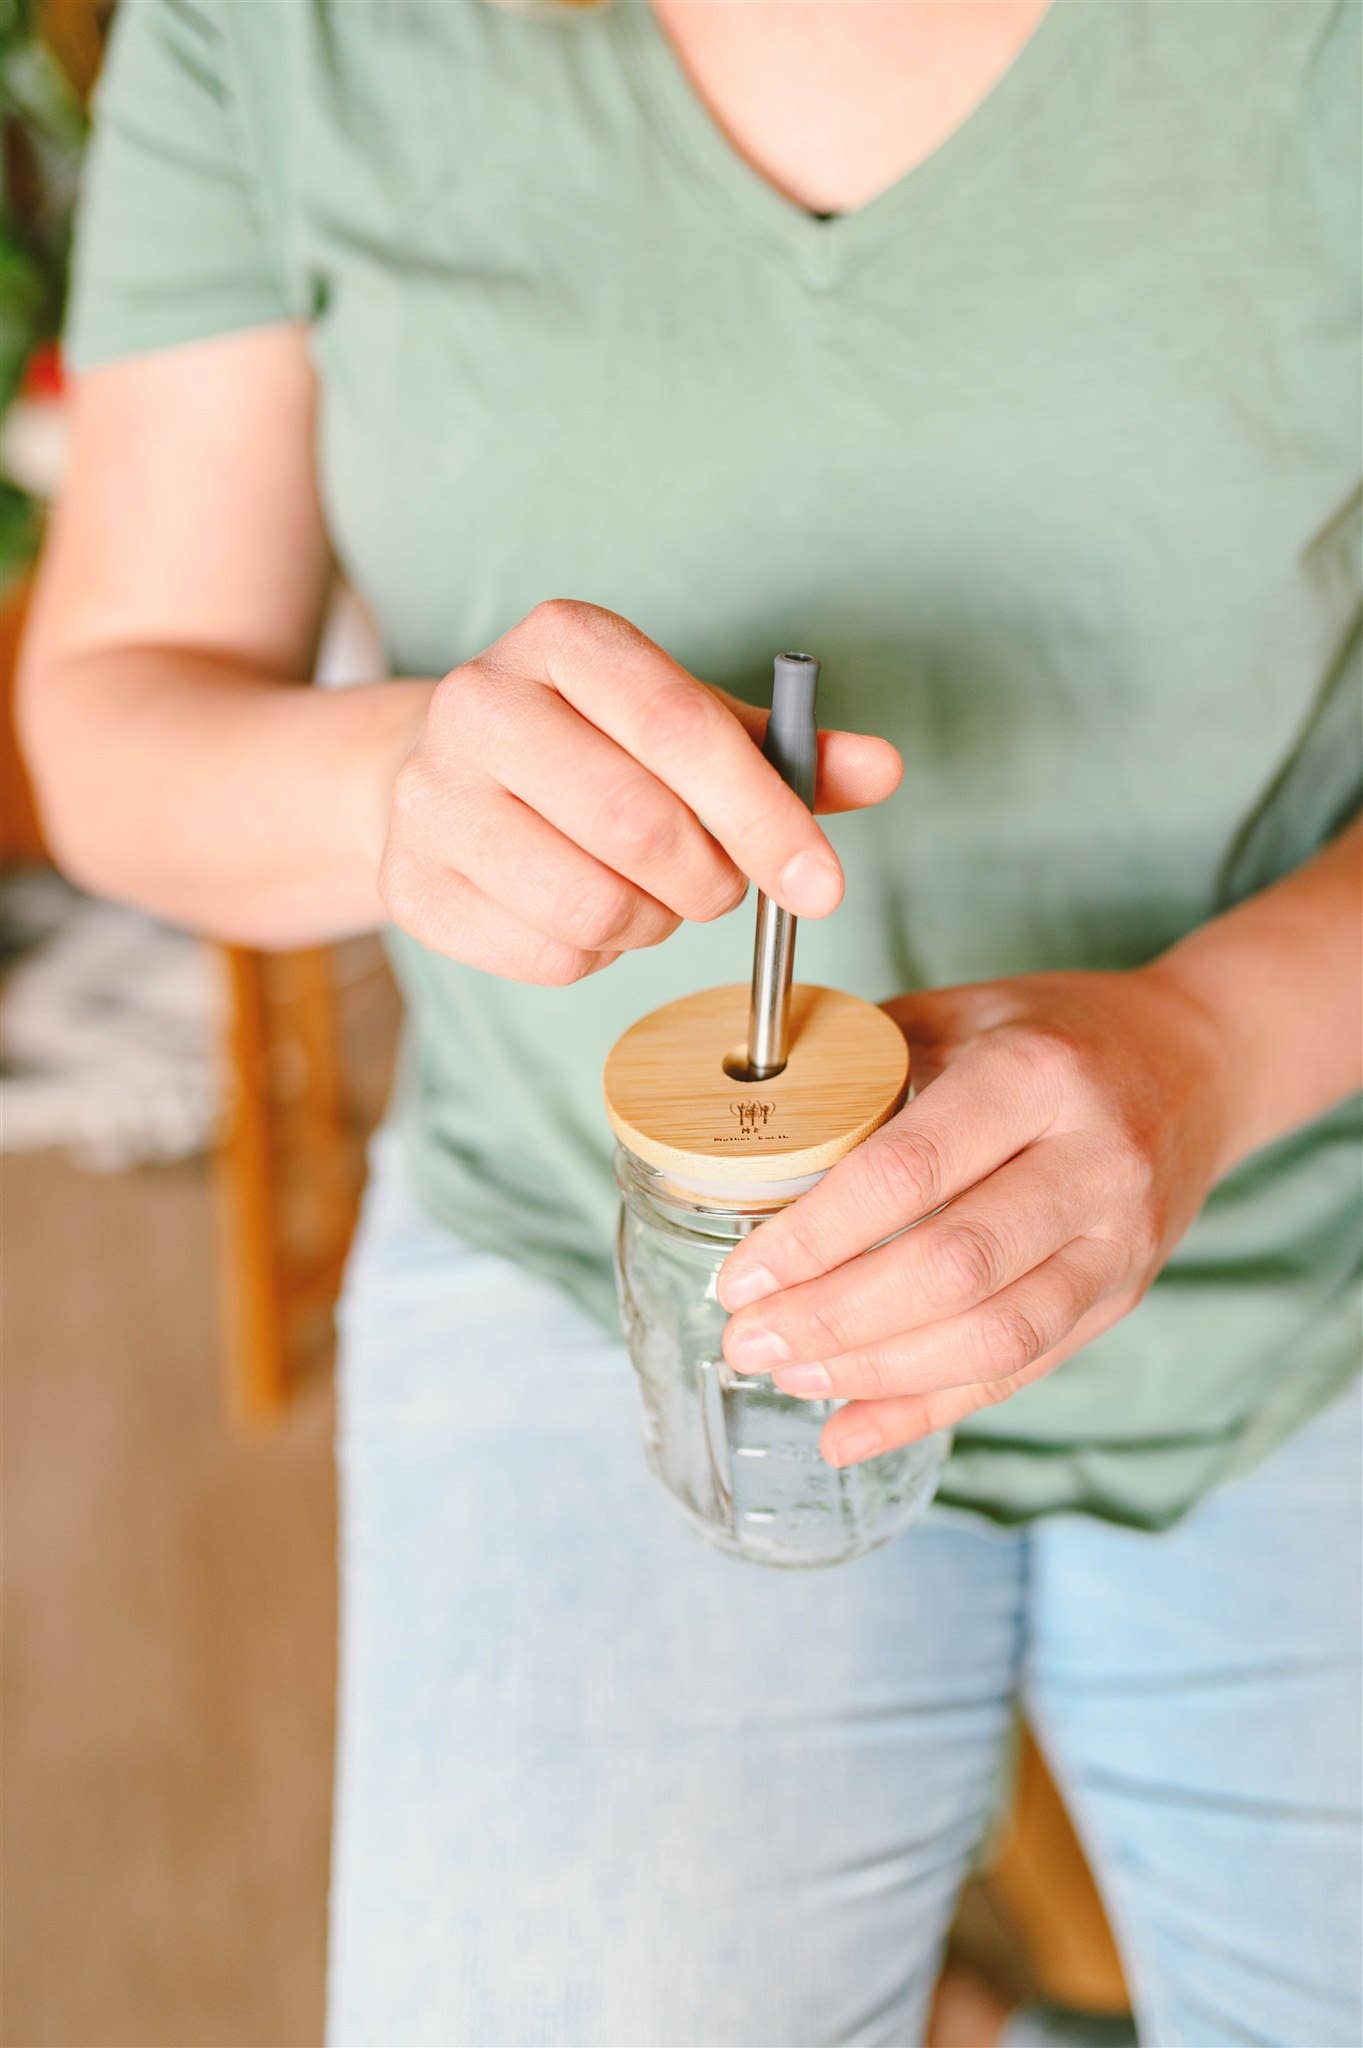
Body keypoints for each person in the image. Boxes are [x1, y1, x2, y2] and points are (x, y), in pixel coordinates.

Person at [18, 2, 1361, 2042]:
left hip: (1311, 1255)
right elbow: (116, 711)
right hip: (597, 1266)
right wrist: (400, 789)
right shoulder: (283, 31)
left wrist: (1213, 1047)